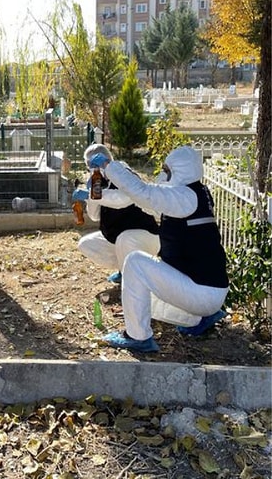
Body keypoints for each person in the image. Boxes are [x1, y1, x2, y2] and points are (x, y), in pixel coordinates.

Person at [87, 146, 228, 353]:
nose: (163, 174)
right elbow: (146, 202)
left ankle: (138, 337)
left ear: (180, 171)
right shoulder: (193, 193)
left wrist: (109, 167)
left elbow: (144, 194)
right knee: (141, 300)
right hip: (207, 290)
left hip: (202, 290)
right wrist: (106, 186)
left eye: (167, 170)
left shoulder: (185, 196)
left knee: (135, 262)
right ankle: (198, 319)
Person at [71, 144, 160, 285]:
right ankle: (123, 270)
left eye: (95, 163)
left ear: (106, 159)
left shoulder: (124, 173)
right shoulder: (98, 180)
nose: (93, 167)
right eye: (89, 165)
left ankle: (133, 280)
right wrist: (91, 195)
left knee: (125, 239)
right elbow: (95, 216)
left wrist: (93, 195)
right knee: (87, 244)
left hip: (145, 236)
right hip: (119, 236)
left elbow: (123, 199)